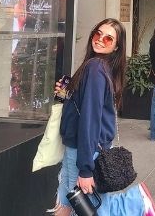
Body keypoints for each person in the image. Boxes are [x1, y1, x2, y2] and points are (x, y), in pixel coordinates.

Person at [50, 18, 127, 216]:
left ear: (116, 47)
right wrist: (66, 93)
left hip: (84, 152)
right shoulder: (99, 66)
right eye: (98, 34)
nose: (100, 39)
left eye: (108, 38)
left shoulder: (96, 67)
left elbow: (90, 119)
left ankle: (137, 205)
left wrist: (85, 169)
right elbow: (84, 106)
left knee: (82, 208)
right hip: (82, 149)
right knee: (66, 204)